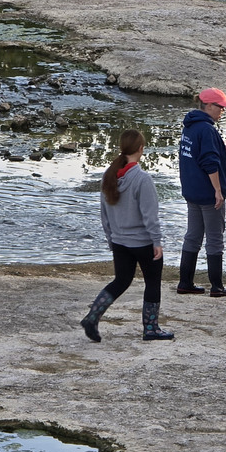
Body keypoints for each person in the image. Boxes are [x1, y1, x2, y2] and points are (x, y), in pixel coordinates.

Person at [80, 128, 173, 342]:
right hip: (142, 242)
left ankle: (92, 317)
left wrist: (111, 239)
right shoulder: (142, 179)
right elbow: (150, 216)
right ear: (141, 149)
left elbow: (104, 214)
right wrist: (157, 241)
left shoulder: (109, 176)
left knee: (121, 281)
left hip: (120, 241)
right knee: (152, 282)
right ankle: (151, 328)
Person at [177, 87, 226, 297]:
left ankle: (185, 282)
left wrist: (222, 148)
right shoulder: (207, 129)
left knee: (193, 236)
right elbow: (209, 162)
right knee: (214, 238)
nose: (223, 111)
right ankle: (217, 286)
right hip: (208, 193)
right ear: (209, 106)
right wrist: (218, 191)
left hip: (191, 191)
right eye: (221, 107)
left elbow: (197, 153)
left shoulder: (190, 127)